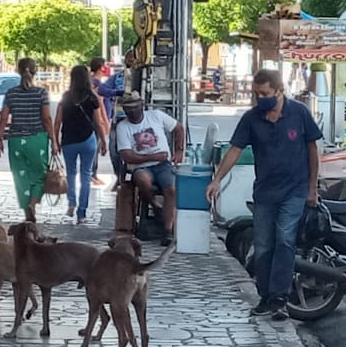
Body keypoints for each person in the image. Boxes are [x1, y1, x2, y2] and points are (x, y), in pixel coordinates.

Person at [206, 69, 323, 321]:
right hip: (265, 193)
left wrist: (312, 187)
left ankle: (280, 298)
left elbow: (312, 150)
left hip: (294, 190)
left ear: (280, 91)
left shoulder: (299, 113)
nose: (261, 98)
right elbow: (235, 150)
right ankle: (266, 297)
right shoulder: (252, 118)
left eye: (265, 93)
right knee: (262, 247)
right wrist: (217, 180)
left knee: (285, 240)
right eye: (257, 94)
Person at [115, 91, 185, 243]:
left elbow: (178, 128)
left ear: (142, 107)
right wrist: (153, 157)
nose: (133, 112)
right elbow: (126, 156)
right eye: (129, 110)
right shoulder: (123, 127)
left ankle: (167, 230)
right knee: (142, 180)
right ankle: (155, 206)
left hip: (163, 165)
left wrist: (179, 151)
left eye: (135, 108)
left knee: (171, 189)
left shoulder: (156, 116)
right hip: (141, 167)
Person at [0, 57, 56, 222]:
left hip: (16, 141)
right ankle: (33, 204)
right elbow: (47, 119)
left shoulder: (11, 93)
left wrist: (0, 138)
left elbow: (3, 118)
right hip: (37, 140)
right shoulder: (41, 93)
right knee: (40, 176)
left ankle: (26, 209)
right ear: (35, 71)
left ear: (18, 71)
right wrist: (54, 141)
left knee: (20, 176)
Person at [56, 65, 111, 225]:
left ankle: (71, 203)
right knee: (86, 176)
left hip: (68, 140)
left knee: (71, 173)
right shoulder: (92, 97)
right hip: (88, 140)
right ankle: (82, 213)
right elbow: (98, 122)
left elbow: (58, 120)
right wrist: (103, 141)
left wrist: (55, 140)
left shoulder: (66, 97)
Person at [90, 57, 123, 185]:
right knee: (96, 146)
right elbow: (100, 103)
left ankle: (93, 173)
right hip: (98, 119)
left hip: (98, 119)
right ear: (101, 67)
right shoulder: (97, 84)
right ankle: (92, 174)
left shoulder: (94, 82)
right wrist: (104, 121)